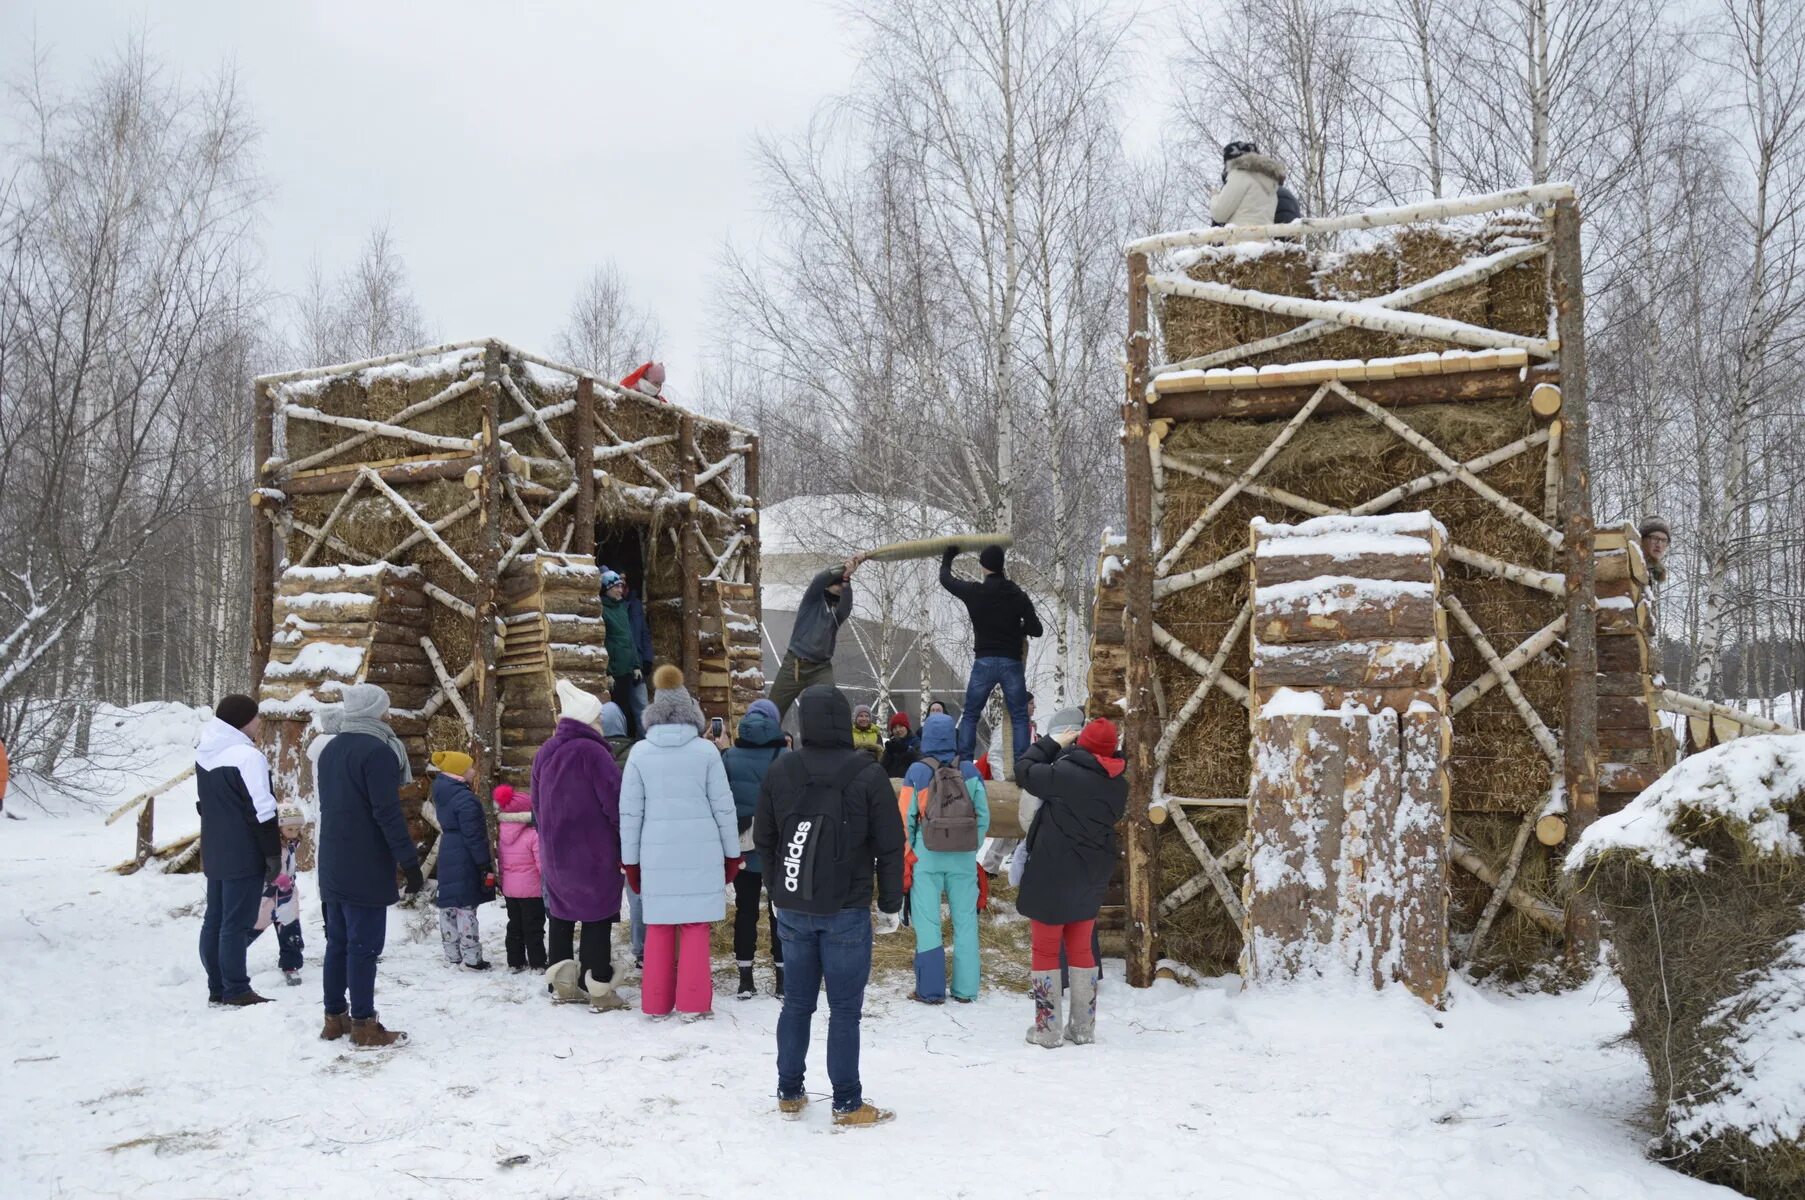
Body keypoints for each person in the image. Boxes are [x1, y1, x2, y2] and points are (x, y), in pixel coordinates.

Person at [753, 684, 906, 1127]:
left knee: (796, 1003)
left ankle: (788, 1091)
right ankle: (846, 1101)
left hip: (794, 904)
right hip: (847, 907)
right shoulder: (868, 773)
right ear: (843, 721)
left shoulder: (781, 770)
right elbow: (890, 846)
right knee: (844, 1009)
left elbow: (764, 838)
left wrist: (777, 889)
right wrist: (891, 903)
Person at [620, 665, 740, 1019]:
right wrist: (732, 855)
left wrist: (631, 862)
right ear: (691, 713)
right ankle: (693, 1003)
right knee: (694, 926)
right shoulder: (705, 752)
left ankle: (656, 1004)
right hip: (701, 854)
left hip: (654, 854)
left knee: (658, 926)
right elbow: (724, 808)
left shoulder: (640, 754)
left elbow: (630, 814)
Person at [316, 683, 423, 1048]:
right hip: (364, 861)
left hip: (332, 858)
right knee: (363, 946)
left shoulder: (331, 749)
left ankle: (335, 1018)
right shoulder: (377, 751)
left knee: (338, 943)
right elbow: (386, 813)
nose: (388, 713)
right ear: (376, 709)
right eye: (386, 707)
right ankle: (363, 1024)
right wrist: (409, 861)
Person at [1015, 718, 1126, 1049]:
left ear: (1082, 743)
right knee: (1080, 947)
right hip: (1091, 874)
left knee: (1046, 947)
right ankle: (1082, 1028)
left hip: (1053, 873)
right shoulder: (1120, 785)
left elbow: (1023, 769)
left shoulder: (1063, 775)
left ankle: (1047, 1030)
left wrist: (1052, 742)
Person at [531, 680, 629, 1012]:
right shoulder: (594, 753)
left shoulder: (545, 752)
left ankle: (562, 986)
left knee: (560, 915)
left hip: (556, 852)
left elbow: (535, 805)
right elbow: (615, 804)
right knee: (597, 916)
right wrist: (624, 842)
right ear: (588, 719)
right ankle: (598, 989)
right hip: (594, 851)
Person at [196, 694, 281, 1008]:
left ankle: (217, 986)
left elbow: (205, 804)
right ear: (244, 721)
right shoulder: (247, 756)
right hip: (243, 850)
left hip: (215, 846)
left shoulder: (205, 751)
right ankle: (236, 988)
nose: (259, 722)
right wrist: (272, 854)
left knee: (214, 919)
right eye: (256, 717)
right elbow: (263, 809)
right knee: (235, 922)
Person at [900, 713, 989, 1004]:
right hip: (962, 858)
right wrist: (970, 847)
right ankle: (966, 989)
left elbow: (905, 818)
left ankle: (931, 989)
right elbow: (983, 816)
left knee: (928, 924)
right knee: (965, 923)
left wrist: (909, 852)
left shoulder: (917, 771)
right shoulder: (971, 771)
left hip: (927, 856)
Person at [941, 545, 1042, 766]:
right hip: (1011, 662)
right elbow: (1037, 629)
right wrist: (1018, 628)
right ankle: (1022, 766)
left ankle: (966, 764)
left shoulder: (975, 591)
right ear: (1001, 565)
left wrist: (948, 557)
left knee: (970, 715)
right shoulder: (1016, 593)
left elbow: (946, 580)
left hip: (984, 662)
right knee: (1019, 717)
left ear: (983, 566)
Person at [723, 698, 787, 999]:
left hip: (743, 846)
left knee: (746, 911)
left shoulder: (730, 756)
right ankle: (783, 978)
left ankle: (745, 978)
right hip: (779, 848)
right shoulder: (786, 756)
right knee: (780, 913)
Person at [770, 558, 862, 718]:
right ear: (829, 585)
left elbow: (846, 607)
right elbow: (818, 580)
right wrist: (842, 568)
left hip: (821, 669)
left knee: (829, 705)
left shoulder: (836, 613)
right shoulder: (812, 601)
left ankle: (824, 740)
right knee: (773, 709)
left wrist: (847, 578)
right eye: (838, 584)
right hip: (795, 665)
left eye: (843, 585)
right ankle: (765, 739)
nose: (841, 588)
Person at [429, 750, 494, 972]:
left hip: (448, 851)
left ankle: (452, 954)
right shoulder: (465, 799)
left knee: (448, 904)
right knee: (466, 906)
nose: (473, 771)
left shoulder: (443, 791)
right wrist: (484, 863)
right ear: (459, 772)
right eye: (470, 767)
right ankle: (473, 957)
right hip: (464, 854)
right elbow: (474, 835)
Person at [601, 700, 646, 969]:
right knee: (637, 891)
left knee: (601, 891)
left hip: (602, 832)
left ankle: (599, 944)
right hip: (634, 830)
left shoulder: (594, 752)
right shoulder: (636, 751)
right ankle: (641, 948)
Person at [494, 785, 546, 974]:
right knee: (534, 927)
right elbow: (541, 864)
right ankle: (538, 962)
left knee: (514, 925)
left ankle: (515, 961)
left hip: (510, 890)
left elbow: (502, 861)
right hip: (532, 891)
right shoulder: (533, 835)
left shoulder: (502, 833)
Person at [601, 569, 655, 738]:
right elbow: (604, 642)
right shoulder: (603, 610)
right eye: (616, 587)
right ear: (607, 589)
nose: (619, 590)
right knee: (619, 709)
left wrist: (637, 665)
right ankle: (620, 744)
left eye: (621, 586)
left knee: (638, 708)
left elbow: (630, 639)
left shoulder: (622, 608)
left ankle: (640, 741)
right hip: (616, 670)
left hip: (629, 669)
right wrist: (608, 671)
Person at [1210, 141, 1288, 228]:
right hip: (1265, 238)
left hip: (1240, 237)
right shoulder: (1271, 182)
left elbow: (1219, 214)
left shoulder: (1239, 175)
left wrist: (1215, 196)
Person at [269, 809, 306, 986]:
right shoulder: (274, 847)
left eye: (297, 829)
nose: (294, 833)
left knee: (290, 929)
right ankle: (228, 959)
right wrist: (282, 881)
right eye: (289, 829)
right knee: (249, 928)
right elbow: (271, 869)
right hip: (268, 895)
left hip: (287, 895)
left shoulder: (292, 843)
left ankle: (291, 964)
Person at [880, 711, 918, 780]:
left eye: (901, 726)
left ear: (906, 727)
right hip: (891, 782)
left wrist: (905, 749)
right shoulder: (892, 745)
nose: (898, 730)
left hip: (908, 783)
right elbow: (882, 767)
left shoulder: (916, 742)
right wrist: (888, 753)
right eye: (895, 728)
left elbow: (918, 759)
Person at [1639, 515, 1671, 583]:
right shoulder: (1628, 566)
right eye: (1654, 538)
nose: (1659, 545)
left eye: (1664, 540)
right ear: (1641, 540)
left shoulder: (1652, 571)